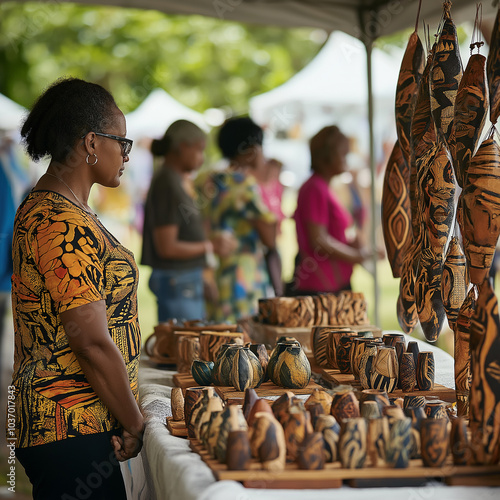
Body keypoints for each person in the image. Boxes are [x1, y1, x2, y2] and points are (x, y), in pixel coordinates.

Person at [10, 77, 143, 499]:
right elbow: (88, 341)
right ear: (90, 142)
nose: (125, 153)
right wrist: (135, 422)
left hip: (73, 425)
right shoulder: (60, 223)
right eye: (121, 141)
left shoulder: (62, 207)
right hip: (70, 427)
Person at [141, 120, 232, 322]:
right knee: (186, 349)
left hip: (185, 278)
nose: (202, 157)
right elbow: (167, 247)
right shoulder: (167, 181)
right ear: (183, 147)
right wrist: (210, 246)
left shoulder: (177, 179)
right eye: (199, 150)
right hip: (177, 280)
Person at [196, 116, 278, 322]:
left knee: (216, 342)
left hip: (212, 275)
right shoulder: (244, 185)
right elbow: (270, 237)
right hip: (243, 279)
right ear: (251, 150)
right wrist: (267, 183)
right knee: (243, 347)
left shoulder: (205, 179)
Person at [292, 125, 374, 295]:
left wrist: (359, 248)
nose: (346, 159)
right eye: (343, 154)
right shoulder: (315, 187)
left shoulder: (325, 187)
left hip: (334, 282)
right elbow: (319, 240)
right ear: (327, 155)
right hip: (321, 286)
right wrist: (357, 256)